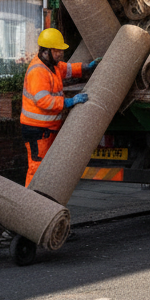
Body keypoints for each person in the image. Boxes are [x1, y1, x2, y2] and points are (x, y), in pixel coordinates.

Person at [21, 28, 98, 187]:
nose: (60, 54)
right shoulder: (38, 71)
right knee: (37, 167)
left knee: (48, 167)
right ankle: (29, 203)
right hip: (37, 130)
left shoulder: (52, 65)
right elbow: (44, 101)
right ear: (46, 51)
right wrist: (69, 102)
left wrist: (86, 67)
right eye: (57, 51)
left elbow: (68, 69)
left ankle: (45, 201)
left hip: (47, 129)